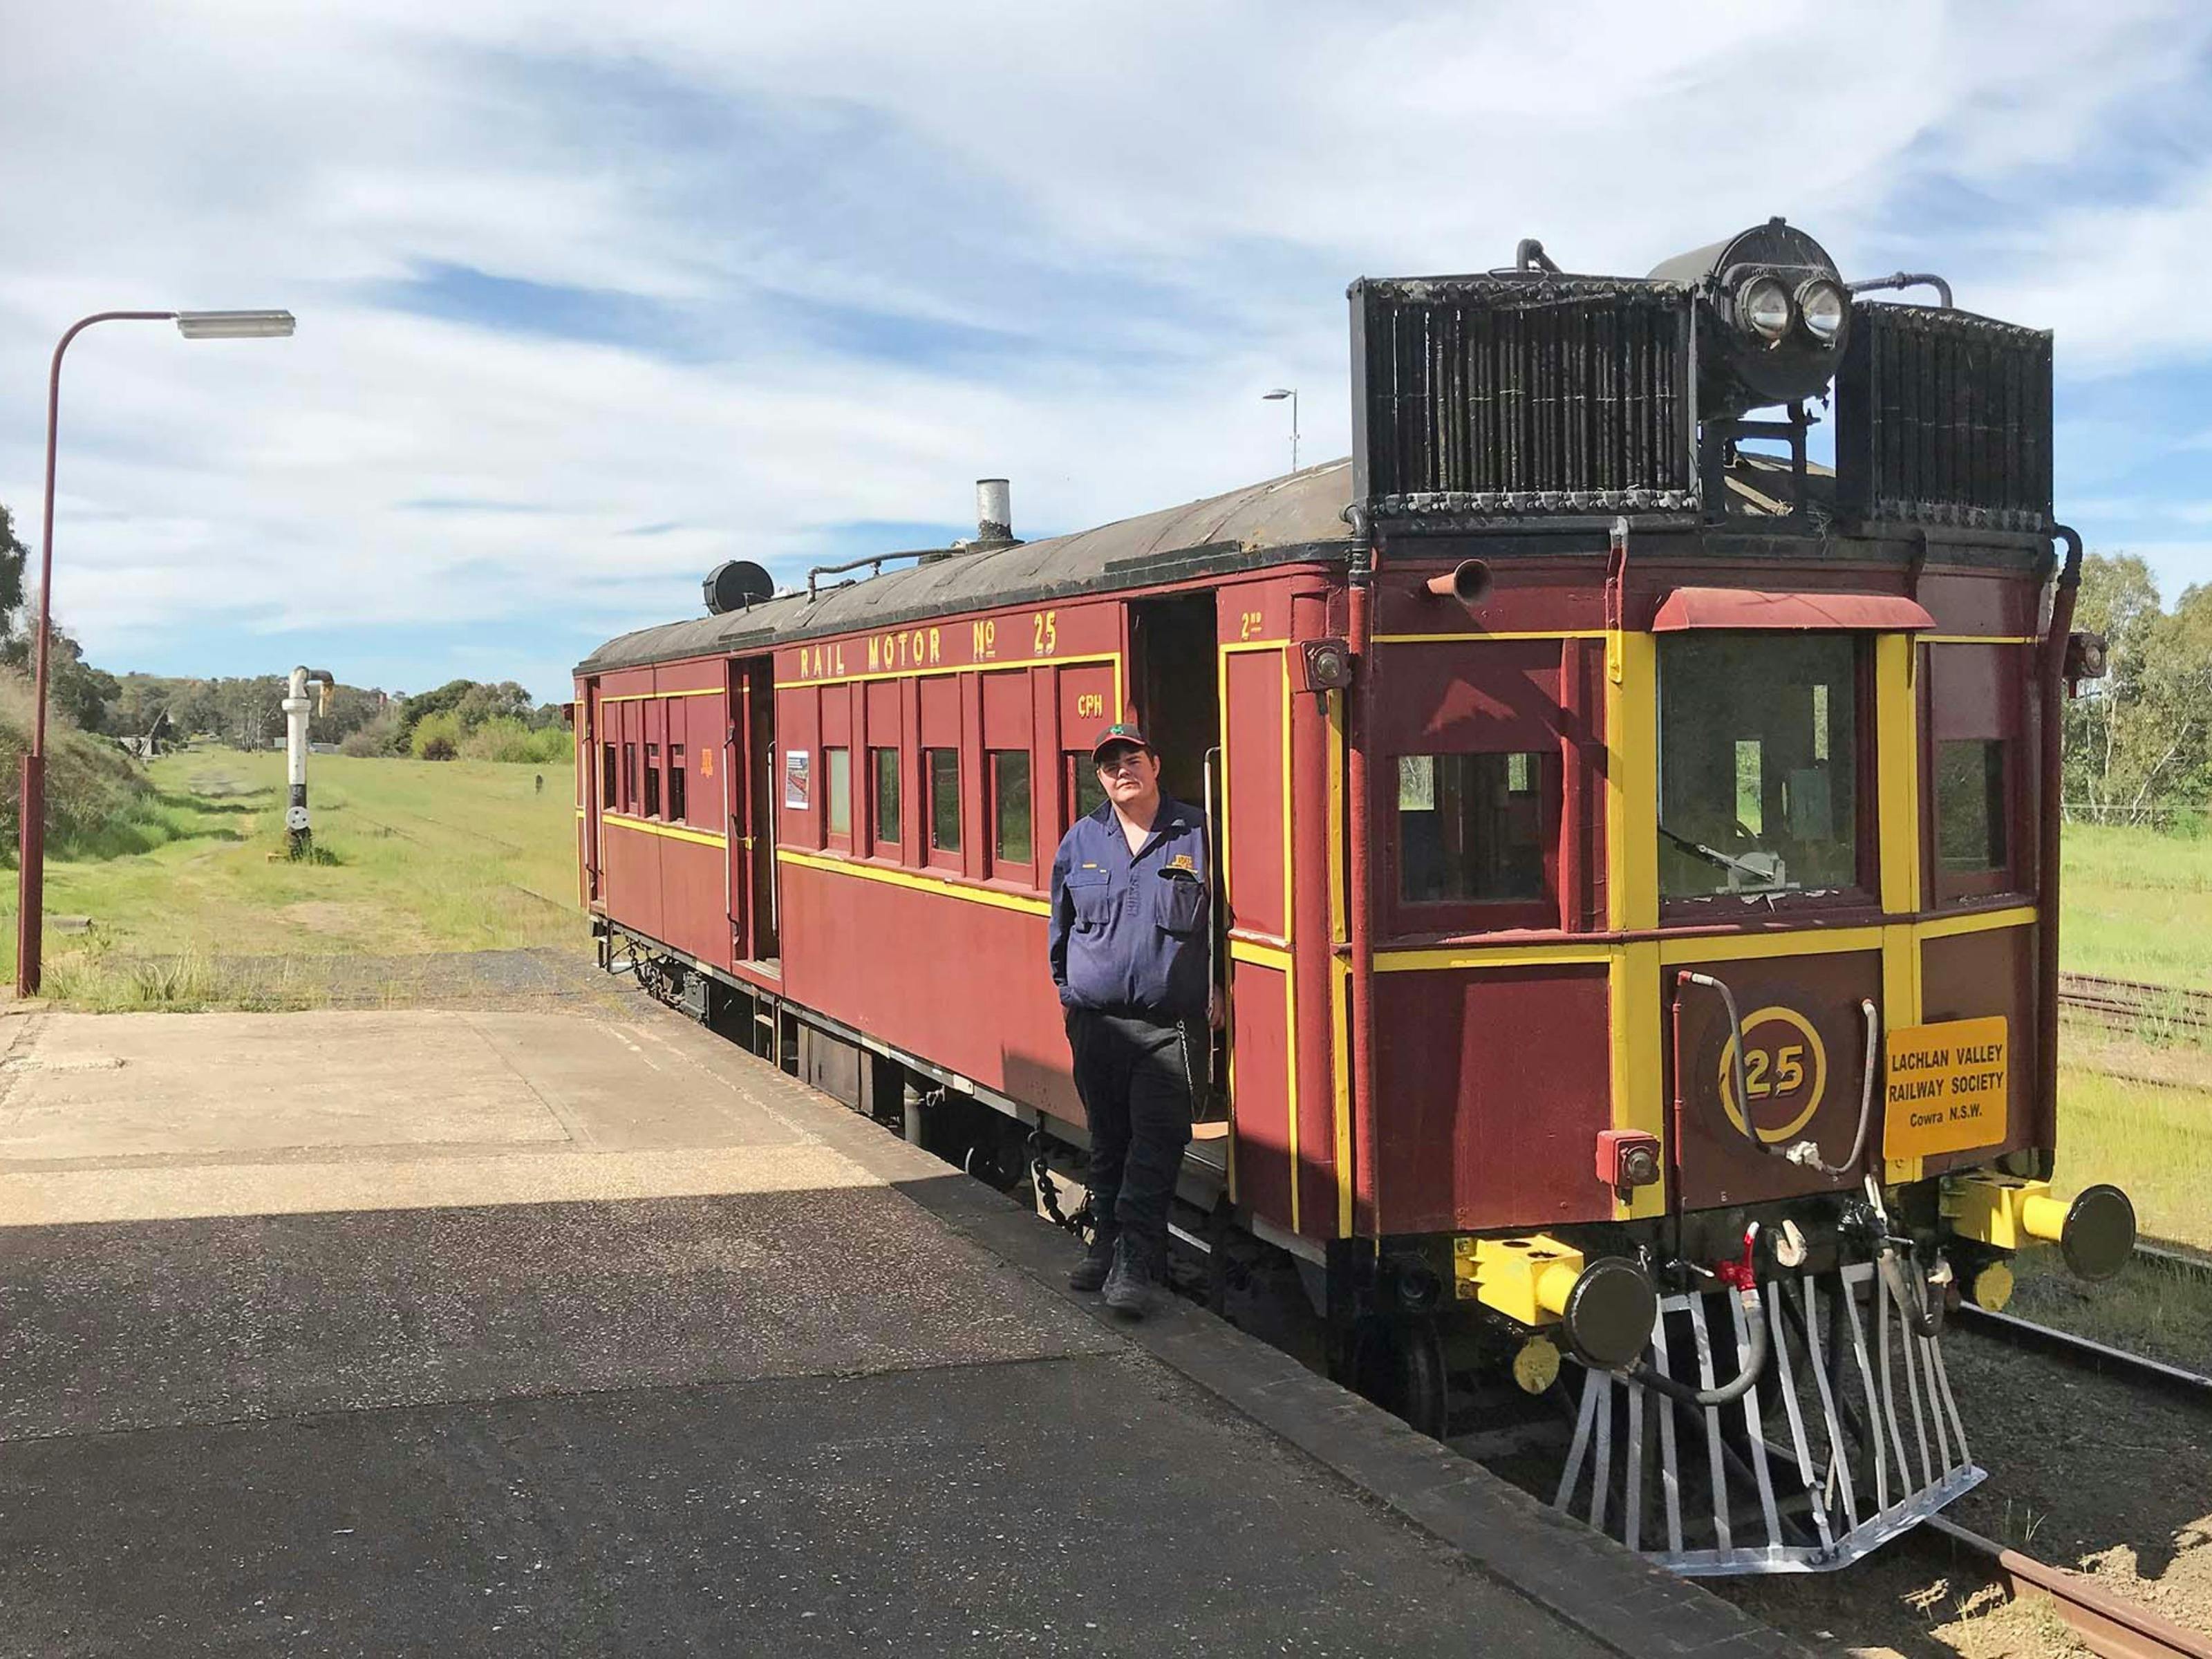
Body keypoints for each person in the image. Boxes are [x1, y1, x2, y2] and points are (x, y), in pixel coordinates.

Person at [1047, 722, 1215, 1319]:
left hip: (1169, 1028)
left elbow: (1225, 919)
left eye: (1133, 759)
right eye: (1111, 763)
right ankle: (1106, 1246)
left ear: (1156, 764)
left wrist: (1221, 986)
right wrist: (1072, 997)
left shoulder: (1198, 831)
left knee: (1156, 1145)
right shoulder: (1081, 840)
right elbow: (1060, 929)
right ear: (1100, 777)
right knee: (1108, 1143)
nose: (1123, 770)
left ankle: (1136, 1264)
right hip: (1097, 1024)